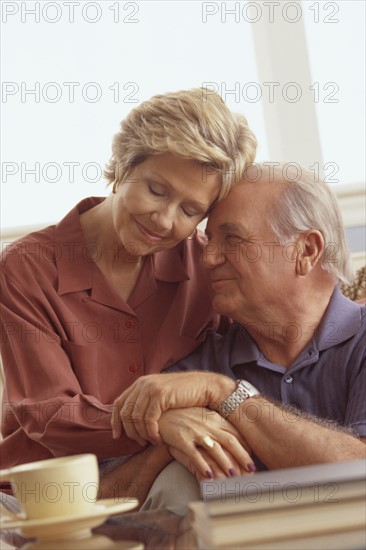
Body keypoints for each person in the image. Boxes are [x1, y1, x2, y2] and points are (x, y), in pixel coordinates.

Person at [0, 88, 257, 508]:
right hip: (44, 488)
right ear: (122, 165)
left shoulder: (207, 268)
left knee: (196, 491)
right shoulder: (25, 268)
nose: (164, 219)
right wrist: (163, 423)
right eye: (156, 189)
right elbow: (47, 414)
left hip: (162, 469)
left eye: (190, 211)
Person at [111, 163, 366, 495]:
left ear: (306, 250)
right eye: (209, 240)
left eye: (232, 238)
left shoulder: (205, 383)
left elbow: (359, 470)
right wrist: (167, 440)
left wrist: (227, 396)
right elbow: (103, 498)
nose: (209, 258)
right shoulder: (193, 366)